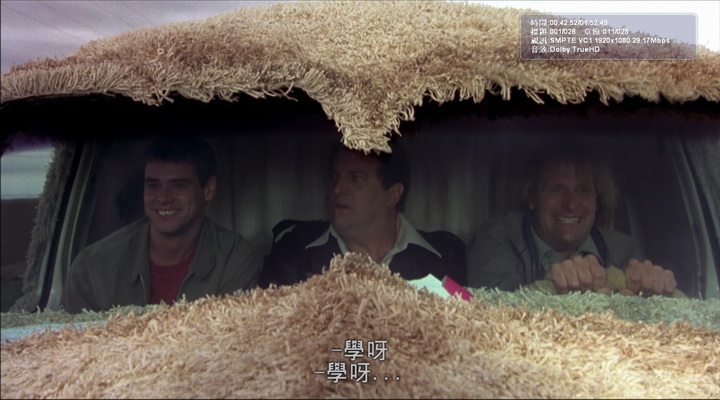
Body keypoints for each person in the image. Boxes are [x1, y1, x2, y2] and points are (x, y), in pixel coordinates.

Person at [60, 135, 261, 313]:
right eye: (153, 186)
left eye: (178, 185)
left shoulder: (233, 259)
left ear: (208, 189)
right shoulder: (92, 267)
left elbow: (229, 339)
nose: (163, 198)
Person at [466, 139, 680, 297]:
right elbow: (496, 316)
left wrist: (657, 288)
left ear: (597, 200)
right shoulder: (496, 241)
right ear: (532, 196)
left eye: (583, 190)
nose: (571, 204)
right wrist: (552, 289)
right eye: (557, 189)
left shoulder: (622, 250)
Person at [260, 140, 466, 288]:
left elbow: (458, 328)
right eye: (334, 177)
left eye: (356, 178)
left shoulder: (444, 256)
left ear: (393, 194)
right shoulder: (294, 249)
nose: (337, 189)